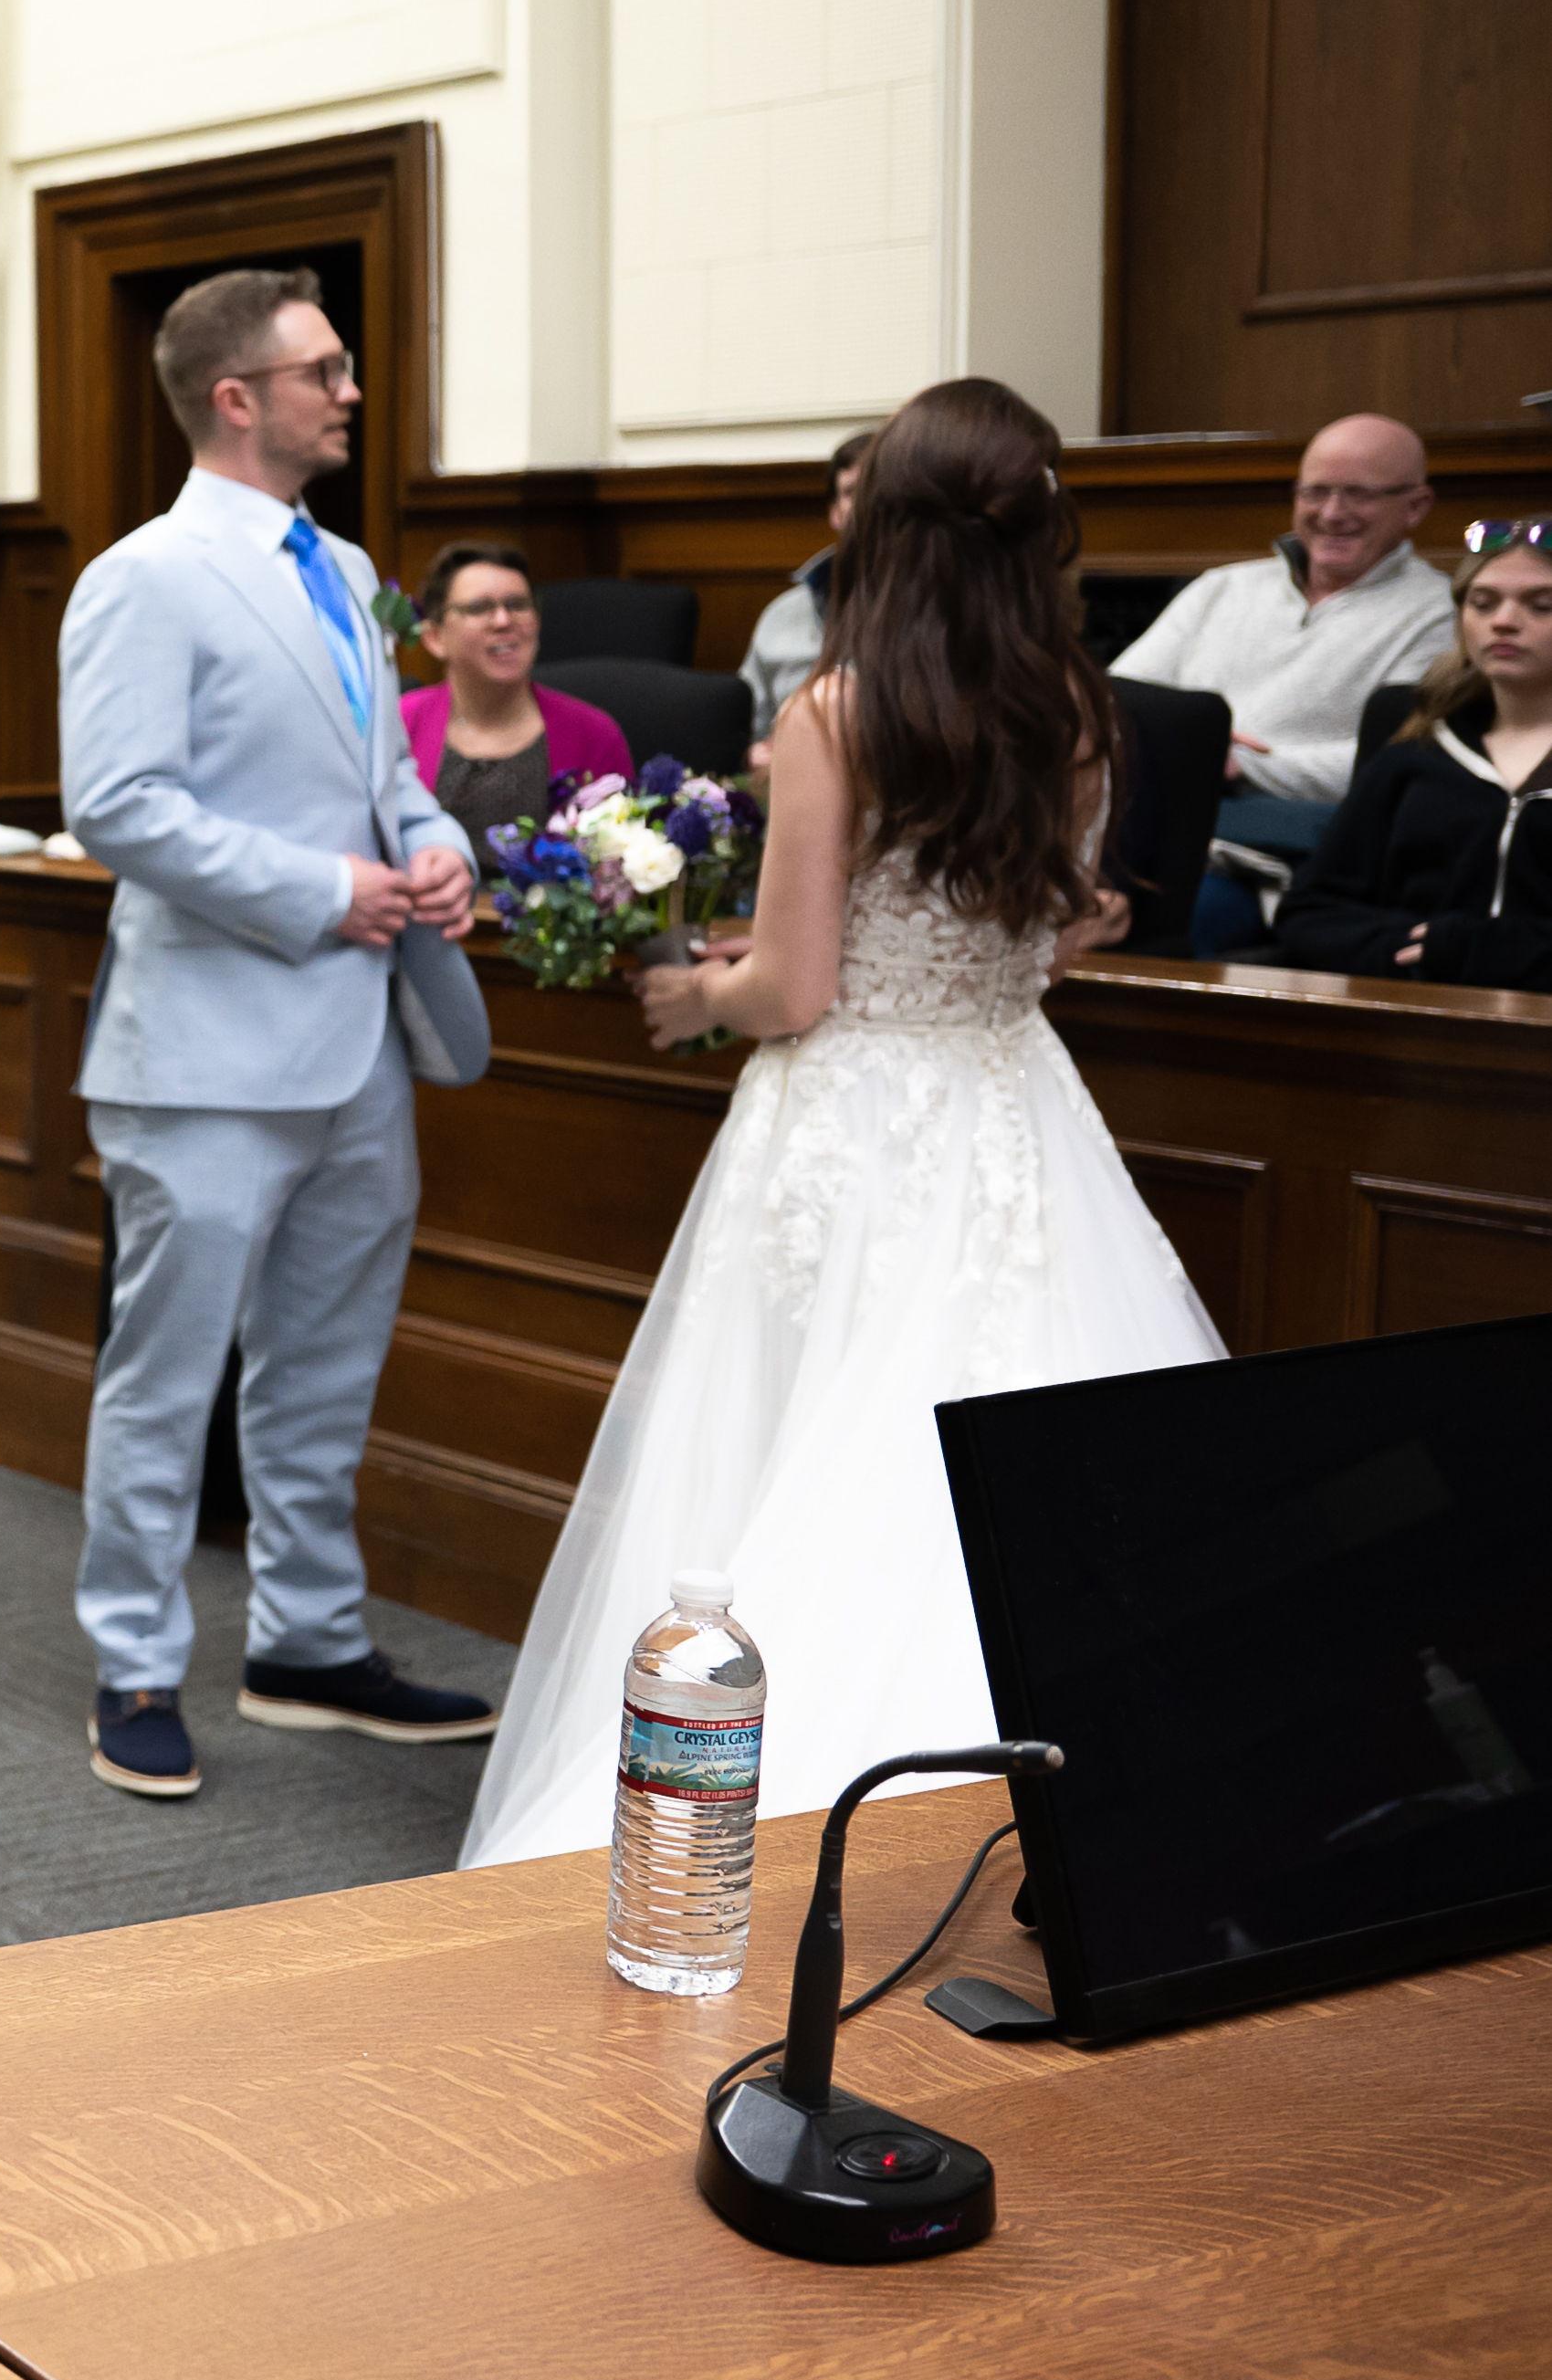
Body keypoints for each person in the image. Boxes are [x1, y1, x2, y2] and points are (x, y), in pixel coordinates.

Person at [459, 379, 1216, 1870]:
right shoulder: (1077, 709)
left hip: (851, 1122)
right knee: (1006, 1440)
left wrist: (695, 998)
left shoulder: (840, 711)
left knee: (794, 1444)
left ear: (887, 528)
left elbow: (799, 985)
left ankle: (767, 1803)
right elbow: (1045, 940)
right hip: (1015, 1103)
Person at [56, 270, 504, 1800]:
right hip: (203, 1052)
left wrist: (431, 838)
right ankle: (132, 1658)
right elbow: (117, 805)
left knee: (322, 1368)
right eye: (323, 369)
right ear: (234, 397)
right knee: (166, 1375)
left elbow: (385, 772)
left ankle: (310, 1640)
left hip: (359, 1042)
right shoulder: (146, 577)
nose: (350, 391)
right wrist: (331, 890)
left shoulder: (352, 568)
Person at [1110, 413, 1454, 942]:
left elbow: (1394, 760)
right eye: (1315, 492)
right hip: (1153, 831)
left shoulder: (1441, 612)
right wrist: (1203, 753)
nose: (1332, 514)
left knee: (1173, 916)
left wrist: (1233, 761)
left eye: (1358, 495)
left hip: (1278, 861)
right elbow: (1116, 703)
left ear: (1416, 507)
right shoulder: (1222, 588)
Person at [1260, 528, 1552, 988]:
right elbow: (1310, 909)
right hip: (1406, 1014)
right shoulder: (1417, 752)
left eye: (1541, 606)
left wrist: (1490, 951)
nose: (1504, 621)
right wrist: (1411, 950)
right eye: (1483, 603)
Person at [399, 541, 632, 872]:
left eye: (518, 604)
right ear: (435, 636)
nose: (503, 620)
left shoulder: (593, 733)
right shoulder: (400, 722)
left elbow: (618, 867)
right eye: (479, 608)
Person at [739, 432, 876, 744]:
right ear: (834, 513)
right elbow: (745, 731)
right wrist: (754, 753)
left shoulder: (929, 609)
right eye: (853, 492)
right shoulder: (783, 614)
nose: (865, 504)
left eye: (877, 489)